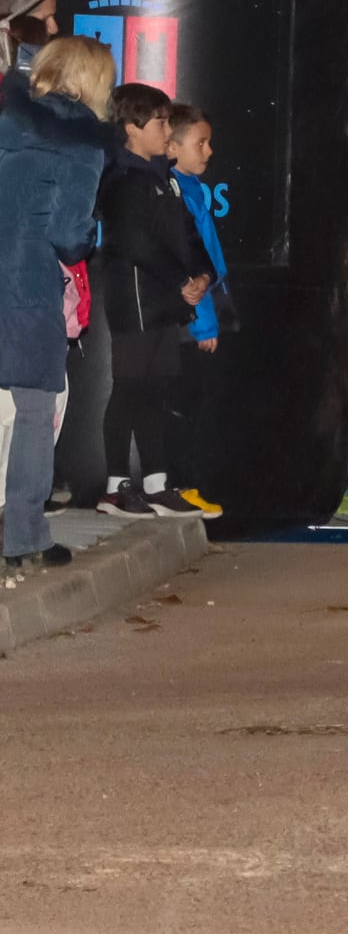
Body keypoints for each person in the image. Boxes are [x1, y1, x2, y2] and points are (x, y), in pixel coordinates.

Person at [1, 37, 110, 578]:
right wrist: (95, 235)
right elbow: (70, 234)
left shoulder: (6, 117)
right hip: (27, 288)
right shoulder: (81, 142)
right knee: (35, 414)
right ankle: (25, 535)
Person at [92, 82, 213, 518]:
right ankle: (114, 487)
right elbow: (137, 245)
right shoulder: (122, 180)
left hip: (164, 303)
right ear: (131, 128)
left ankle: (157, 483)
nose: (167, 129)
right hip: (136, 303)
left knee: (155, 389)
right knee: (130, 387)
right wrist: (183, 279)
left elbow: (188, 236)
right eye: (160, 122)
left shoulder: (163, 178)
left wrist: (201, 275)